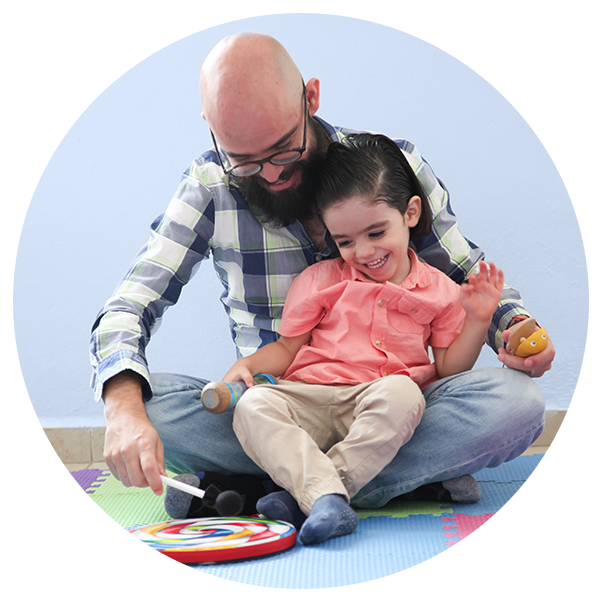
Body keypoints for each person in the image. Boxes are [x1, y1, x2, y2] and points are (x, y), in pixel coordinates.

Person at [90, 33, 553, 510]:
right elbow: (130, 304)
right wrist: (124, 411)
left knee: (515, 403)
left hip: (398, 401)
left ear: (310, 98)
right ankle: (384, 482)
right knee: (148, 401)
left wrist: (514, 328)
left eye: (283, 149)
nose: (270, 174)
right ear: (210, 126)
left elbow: (465, 275)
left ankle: (279, 489)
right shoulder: (210, 185)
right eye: (245, 161)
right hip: (282, 403)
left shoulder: (389, 166)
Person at [219, 133, 505, 545]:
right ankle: (325, 497)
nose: (363, 252)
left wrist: (478, 321)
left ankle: (310, 495)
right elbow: (287, 349)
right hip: (309, 398)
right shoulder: (319, 280)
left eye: (375, 232)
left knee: (407, 394)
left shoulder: (441, 291)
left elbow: (448, 368)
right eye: (345, 241)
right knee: (253, 405)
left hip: (381, 406)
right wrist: (248, 367)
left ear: (410, 212)